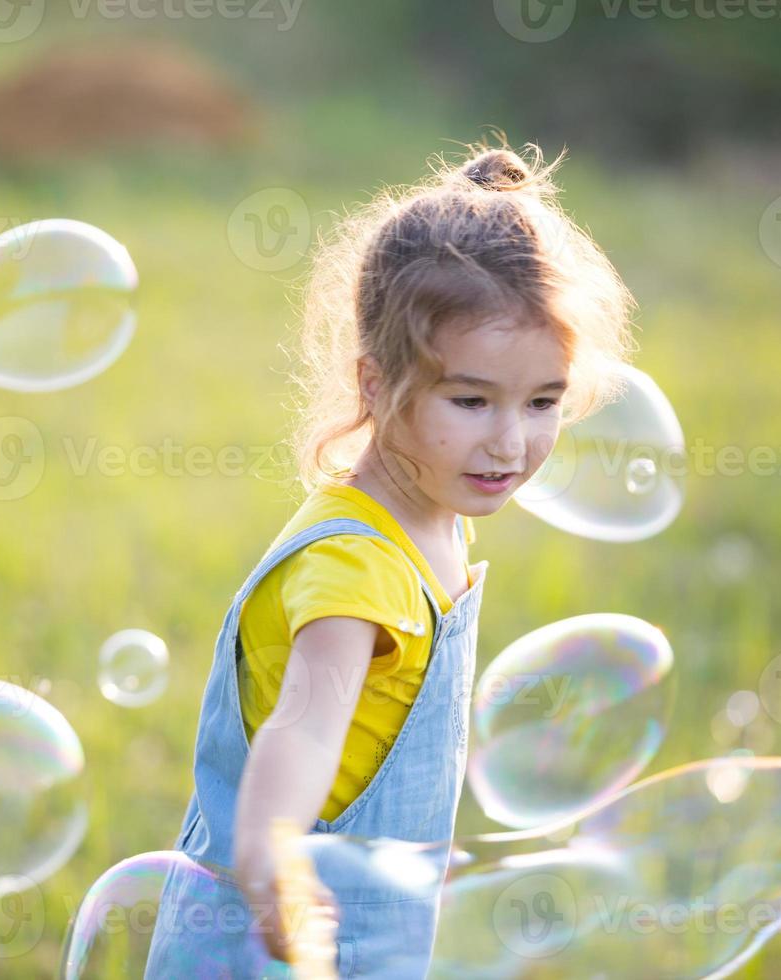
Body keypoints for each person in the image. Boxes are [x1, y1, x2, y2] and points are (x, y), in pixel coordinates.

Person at [144, 138, 637, 978]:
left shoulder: (431, 513)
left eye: (544, 401)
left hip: (373, 922)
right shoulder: (358, 568)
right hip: (281, 938)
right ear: (376, 386)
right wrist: (273, 854)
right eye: (472, 400)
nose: (512, 442)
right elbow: (303, 727)